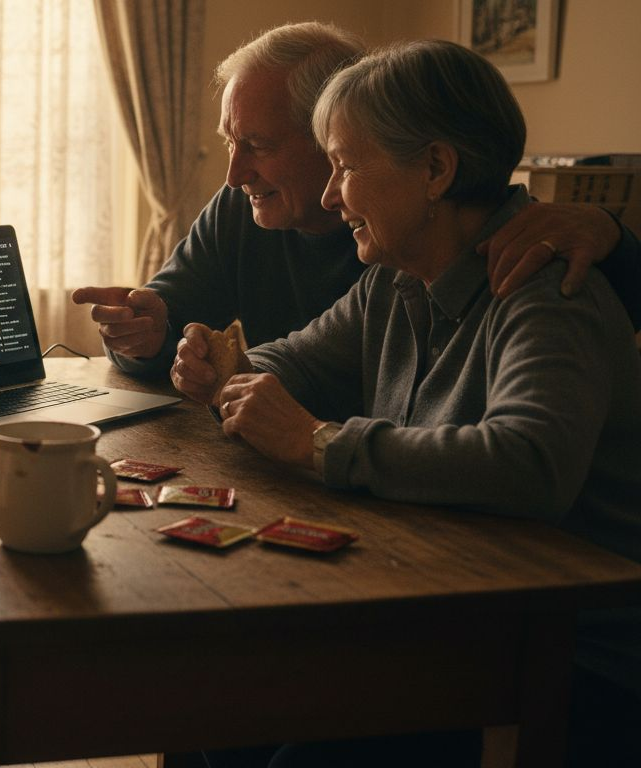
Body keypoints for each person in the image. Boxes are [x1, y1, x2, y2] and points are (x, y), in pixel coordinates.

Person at [173, 39, 641, 767]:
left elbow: (529, 462)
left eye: (347, 167)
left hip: (567, 659)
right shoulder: (397, 280)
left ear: (435, 169)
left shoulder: (546, 290)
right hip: (450, 615)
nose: (331, 197)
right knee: (214, 711)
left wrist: (318, 443)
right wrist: (222, 367)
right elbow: (294, 360)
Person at [72, 22, 641, 375]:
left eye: (258, 145)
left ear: (332, 138)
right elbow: (249, 351)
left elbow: (521, 457)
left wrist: (613, 236)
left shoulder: (432, 246)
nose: (233, 174)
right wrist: (149, 342)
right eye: (228, 143)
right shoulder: (254, 217)